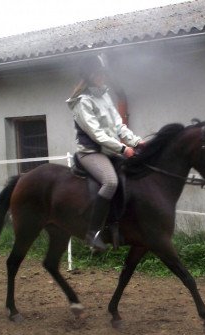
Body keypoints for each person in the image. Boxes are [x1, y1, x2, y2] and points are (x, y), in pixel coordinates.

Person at [66, 55, 144, 252]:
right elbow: (97, 135)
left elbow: (118, 126)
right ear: (90, 76)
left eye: (103, 73)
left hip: (110, 151)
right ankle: (93, 234)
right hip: (91, 153)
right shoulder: (82, 102)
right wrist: (123, 149)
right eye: (98, 73)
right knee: (110, 182)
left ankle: (119, 227)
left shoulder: (105, 96)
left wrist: (136, 141)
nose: (102, 76)